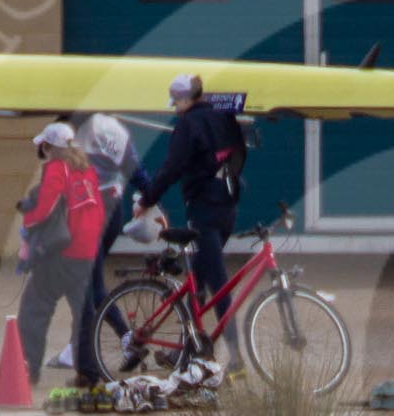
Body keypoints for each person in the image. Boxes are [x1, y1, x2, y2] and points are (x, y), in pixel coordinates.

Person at [133, 74, 246, 367]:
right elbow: (239, 153)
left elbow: (172, 167)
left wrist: (146, 199)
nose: (175, 109)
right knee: (200, 280)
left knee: (217, 283)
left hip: (203, 210)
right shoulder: (224, 115)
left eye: (177, 102)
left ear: (186, 99)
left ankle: (235, 355)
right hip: (228, 206)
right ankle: (186, 349)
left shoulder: (188, 124)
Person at [51, 114, 154, 373]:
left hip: (90, 213)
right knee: (89, 283)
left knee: (86, 287)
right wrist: (151, 200)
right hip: (113, 209)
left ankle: (104, 346)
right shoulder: (116, 129)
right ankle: (84, 345)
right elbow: (137, 172)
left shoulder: (76, 131)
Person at [15, 122, 105, 388]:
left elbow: (45, 207)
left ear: (50, 147)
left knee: (35, 307)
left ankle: (28, 370)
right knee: (84, 314)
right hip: (87, 252)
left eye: (44, 146)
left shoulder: (57, 168)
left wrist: (28, 224)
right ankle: (88, 373)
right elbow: (99, 211)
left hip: (63, 250)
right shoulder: (88, 169)